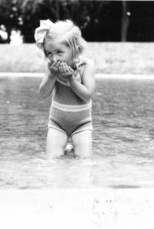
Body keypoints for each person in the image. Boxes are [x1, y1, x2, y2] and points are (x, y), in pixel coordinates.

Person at [35, 19, 96, 158]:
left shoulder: (87, 66)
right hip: (57, 123)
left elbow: (87, 95)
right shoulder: (52, 67)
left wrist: (71, 79)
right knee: (52, 159)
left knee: (84, 160)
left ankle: (73, 146)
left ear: (75, 49)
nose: (54, 58)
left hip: (82, 124)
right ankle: (65, 146)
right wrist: (51, 76)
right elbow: (42, 94)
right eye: (49, 53)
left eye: (59, 52)